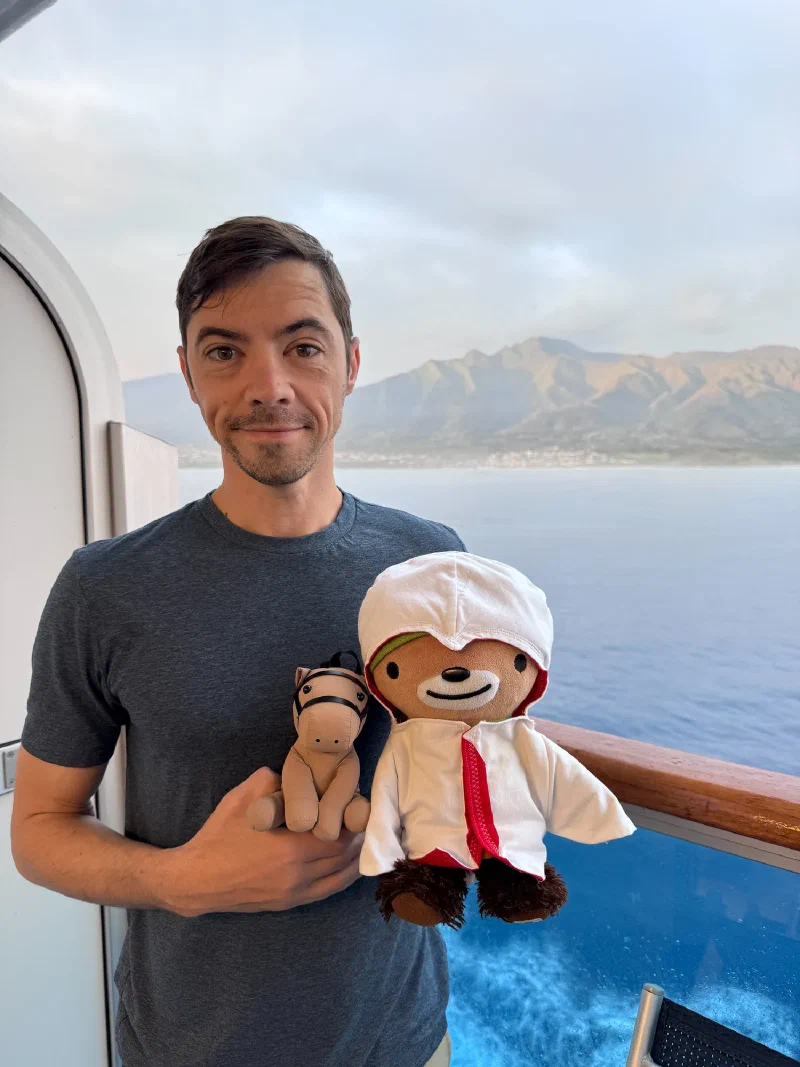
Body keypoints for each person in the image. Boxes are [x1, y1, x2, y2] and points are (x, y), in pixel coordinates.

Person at [11, 216, 464, 1067]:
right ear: (188, 374)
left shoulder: (430, 562)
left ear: (350, 362)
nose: (269, 385)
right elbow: (37, 827)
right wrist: (177, 880)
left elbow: (469, 755)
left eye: (302, 347)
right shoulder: (104, 587)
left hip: (401, 1044)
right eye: (224, 352)